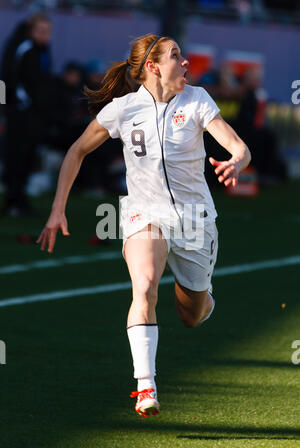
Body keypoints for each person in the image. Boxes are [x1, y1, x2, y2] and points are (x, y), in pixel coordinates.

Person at [36, 33, 251, 418]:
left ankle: (204, 299)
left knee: (192, 314)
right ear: (153, 67)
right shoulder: (123, 108)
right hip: (143, 214)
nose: (185, 63)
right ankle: (145, 385)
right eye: (176, 56)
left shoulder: (197, 99)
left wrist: (236, 160)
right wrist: (58, 209)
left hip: (194, 221)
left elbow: (238, 146)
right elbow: (77, 150)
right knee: (145, 284)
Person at [1, 13, 53, 216]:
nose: (45, 35)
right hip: (20, 112)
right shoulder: (22, 49)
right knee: (15, 156)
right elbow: (5, 77)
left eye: (48, 31)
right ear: (31, 31)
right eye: (41, 31)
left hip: (34, 113)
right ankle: (12, 201)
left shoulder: (42, 50)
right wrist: (7, 106)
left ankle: (20, 200)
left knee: (27, 157)